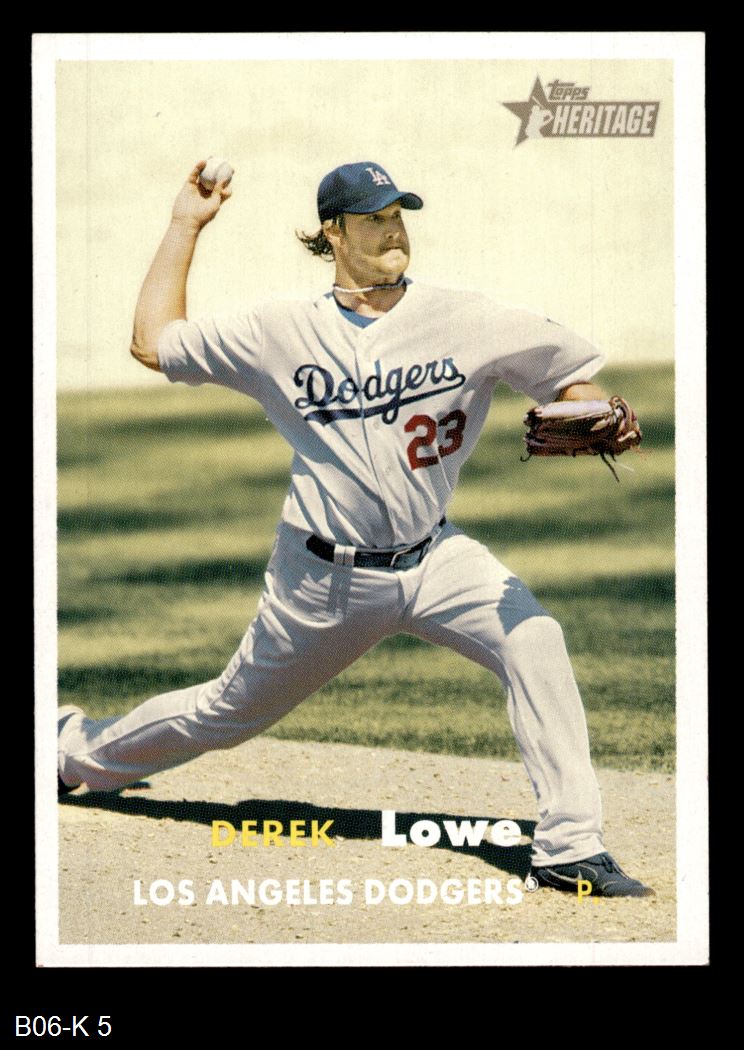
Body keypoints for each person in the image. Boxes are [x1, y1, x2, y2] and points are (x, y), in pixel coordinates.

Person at [58, 159, 654, 898]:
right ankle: (72, 752)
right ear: (333, 233)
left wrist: (584, 402)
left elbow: (571, 376)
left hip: (438, 558)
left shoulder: (468, 317)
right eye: (373, 218)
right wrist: (186, 224)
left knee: (535, 637)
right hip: (323, 580)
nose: (393, 230)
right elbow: (153, 342)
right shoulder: (279, 331)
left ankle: (570, 847)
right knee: (225, 712)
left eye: (398, 214)